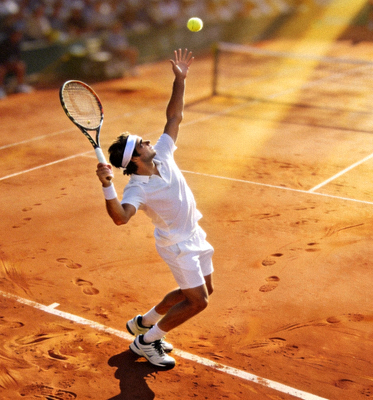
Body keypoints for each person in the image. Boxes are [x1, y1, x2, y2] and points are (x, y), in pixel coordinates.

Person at [95, 49, 212, 369]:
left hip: (195, 233)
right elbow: (120, 218)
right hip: (176, 245)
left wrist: (180, 79)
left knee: (204, 289)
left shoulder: (162, 153)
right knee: (198, 301)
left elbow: (174, 117)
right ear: (135, 158)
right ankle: (145, 342)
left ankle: (143, 322)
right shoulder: (137, 187)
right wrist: (107, 185)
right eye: (142, 142)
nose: (149, 141)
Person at [0, 24, 32, 99]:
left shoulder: (17, 44)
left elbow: (17, 57)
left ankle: (20, 86)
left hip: (7, 64)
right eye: (17, 34)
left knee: (20, 66)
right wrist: (9, 63)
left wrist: (14, 62)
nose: (19, 36)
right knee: (1, 69)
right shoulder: (3, 44)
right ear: (12, 34)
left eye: (20, 34)